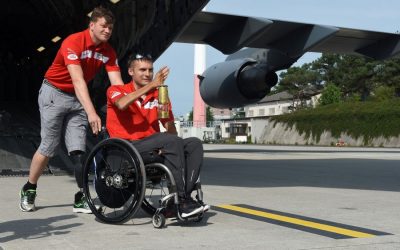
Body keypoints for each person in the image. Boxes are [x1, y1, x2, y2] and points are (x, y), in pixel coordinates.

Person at [19, 6, 124, 213]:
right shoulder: (73, 42)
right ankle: (29, 188)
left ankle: (81, 196)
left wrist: (132, 100)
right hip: (54, 93)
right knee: (49, 146)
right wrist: (92, 112)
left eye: (110, 28)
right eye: (103, 26)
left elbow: (117, 84)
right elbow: (77, 80)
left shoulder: (108, 52)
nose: (107, 31)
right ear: (91, 25)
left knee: (78, 150)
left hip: (77, 99)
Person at [106, 52, 209, 218]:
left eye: (150, 70)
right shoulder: (116, 90)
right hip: (127, 147)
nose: (147, 74)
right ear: (131, 72)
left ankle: (183, 197)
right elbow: (122, 104)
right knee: (169, 140)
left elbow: (169, 126)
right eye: (143, 70)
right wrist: (153, 85)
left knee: (194, 144)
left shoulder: (158, 95)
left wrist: (173, 143)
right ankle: (181, 201)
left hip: (153, 144)